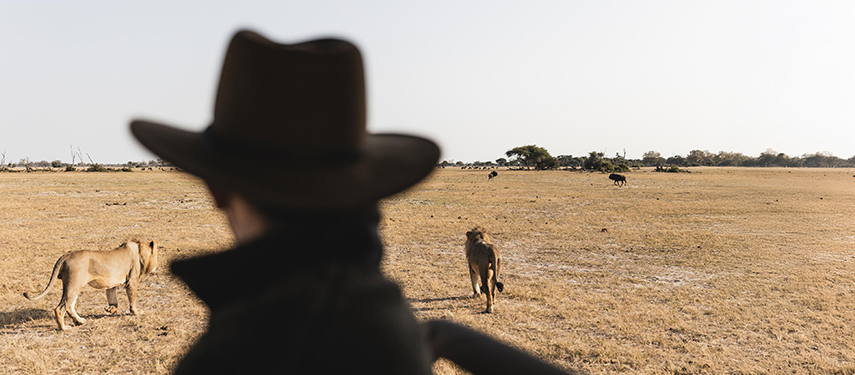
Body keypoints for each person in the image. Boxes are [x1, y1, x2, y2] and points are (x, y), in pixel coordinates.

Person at [131, 29, 570, 374]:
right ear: (363, 185)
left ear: (217, 188)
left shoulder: (234, 350)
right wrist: (444, 337)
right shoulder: (382, 311)